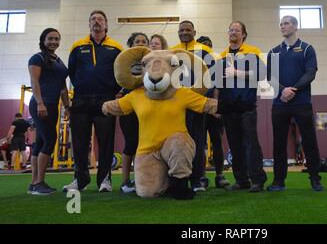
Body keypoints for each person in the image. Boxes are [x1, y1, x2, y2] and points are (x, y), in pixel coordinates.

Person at [64, 10, 123, 193]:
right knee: (79, 142)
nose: (96, 22)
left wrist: (113, 92)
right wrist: (82, 88)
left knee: (106, 141)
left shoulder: (116, 48)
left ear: (106, 25)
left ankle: (105, 180)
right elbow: (72, 72)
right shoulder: (77, 46)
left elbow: (120, 73)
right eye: (93, 19)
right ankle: (80, 180)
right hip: (81, 99)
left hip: (105, 100)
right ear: (89, 24)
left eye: (100, 19)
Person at [266, 16, 323, 192]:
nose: (283, 26)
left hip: (302, 102)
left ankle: (315, 179)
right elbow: (270, 77)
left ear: (295, 26)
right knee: (279, 143)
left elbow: (310, 73)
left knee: (309, 141)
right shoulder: (274, 51)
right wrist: (283, 90)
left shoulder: (307, 49)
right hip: (279, 103)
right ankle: (278, 180)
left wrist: (293, 90)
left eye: (286, 23)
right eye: (281, 24)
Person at [214, 21, 267, 192]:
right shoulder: (222, 56)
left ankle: (257, 180)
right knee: (235, 145)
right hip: (228, 108)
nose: (233, 32)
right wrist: (216, 106)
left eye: (237, 30)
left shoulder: (253, 52)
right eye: (231, 30)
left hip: (247, 107)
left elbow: (261, 74)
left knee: (252, 144)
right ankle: (241, 180)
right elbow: (217, 84)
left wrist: (237, 73)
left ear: (244, 34)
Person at [119, 32, 169, 193]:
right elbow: (120, 81)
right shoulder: (125, 61)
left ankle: (141, 178)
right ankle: (125, 181)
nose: (141, 43)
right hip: (130, 106)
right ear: (131, 44)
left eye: (144, 41)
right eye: (137, 41)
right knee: (131, 143)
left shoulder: (151, 62)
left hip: (148, 108)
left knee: (145, 144)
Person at [171, 21, 215, 192]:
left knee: (197, 141)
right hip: (175, 106)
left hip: (197, 104)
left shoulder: (205, 51)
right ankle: (178, 178)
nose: (184, 32)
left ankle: (198, 179)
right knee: (177, 142)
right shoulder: (172, 51)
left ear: (194, 32)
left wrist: (208, 102)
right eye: (181, 30)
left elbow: (213, 78)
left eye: (188, 29)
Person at [27, 28, 70, 195]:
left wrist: (67, 106)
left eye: (57, 39)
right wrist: (40, 103)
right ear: (43, 40)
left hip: (53, 105)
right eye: (50, 38)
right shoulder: (37, 58)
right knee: (50, 140)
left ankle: (34, 184)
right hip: (41, 105)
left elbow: (62, 87)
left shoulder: (58, 60)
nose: (54, 41)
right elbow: (34, 81)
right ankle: (39, 183)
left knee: (40, 142)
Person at [197, 36, 231, 188]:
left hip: (214, 107)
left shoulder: (217, 63)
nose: (207, 48)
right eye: (203, 46)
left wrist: (216, 106)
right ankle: (201, 176)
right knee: (200, 144)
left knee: (217, 141)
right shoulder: (194, 64)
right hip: (198, 107)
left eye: (209, 45)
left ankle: (219, 175)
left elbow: (219, 85)